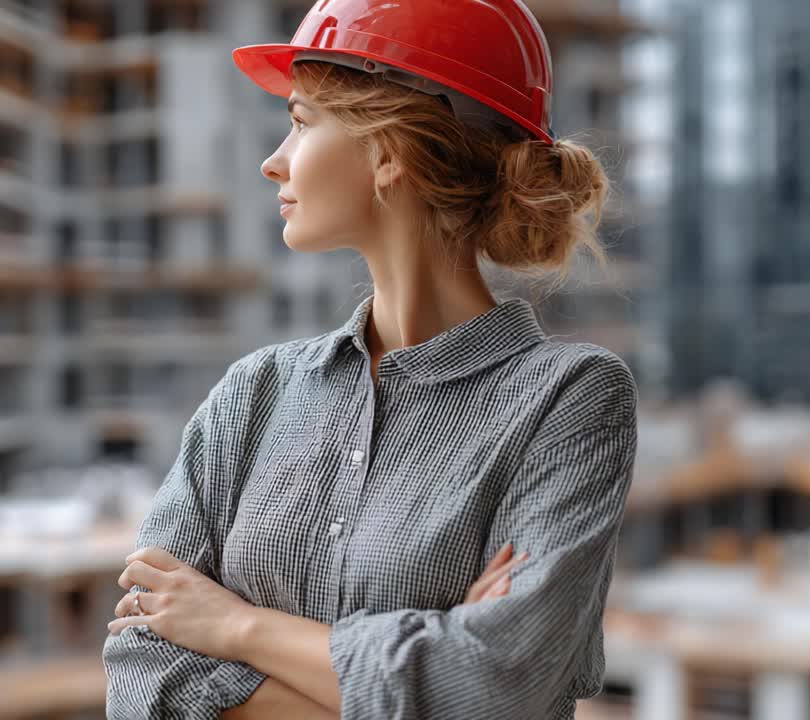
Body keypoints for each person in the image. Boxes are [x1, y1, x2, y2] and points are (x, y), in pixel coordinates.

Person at [102, 1, 638, 718]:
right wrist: (428, 670)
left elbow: (494, 684)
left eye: (299, 121)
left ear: (389, 150)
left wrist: (234, 626)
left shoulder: (568, 400)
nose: (274, 161)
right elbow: (139, 673)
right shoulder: (253, 393)